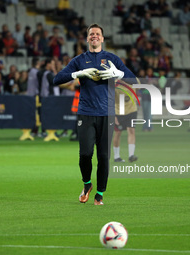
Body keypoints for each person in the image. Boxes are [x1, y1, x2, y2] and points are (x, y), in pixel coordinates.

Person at [53, 23, 135, 205]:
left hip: (107, 114)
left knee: (104, 156)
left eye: (97, 34)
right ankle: (87, 184)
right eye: (91, 34)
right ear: (87, 38)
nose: (94, 36)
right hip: (86, 113)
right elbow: (56, 79)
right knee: (85, 154)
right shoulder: (79, 60)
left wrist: (118, 73)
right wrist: (79, 73)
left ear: (103, 39)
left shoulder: (112, 59)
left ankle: (99, 194)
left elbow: (134, 80)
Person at [113, 80, 138, 163]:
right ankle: (116, 156)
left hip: (131, 110)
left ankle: (131, 155)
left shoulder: (134, 80)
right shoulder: (114, 84)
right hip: (118, 112)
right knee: (118, 133)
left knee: (131, 131)